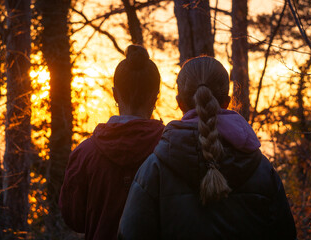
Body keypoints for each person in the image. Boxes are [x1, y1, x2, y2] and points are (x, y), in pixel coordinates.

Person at [118, 56, 297, 239]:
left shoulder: (154, 170)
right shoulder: (262, 169)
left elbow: (130, 234)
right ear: (227, 102)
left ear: (179, 102)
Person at [59, 45, 164, 240]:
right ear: (155, 96)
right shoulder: (171, 150)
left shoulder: (85, 154)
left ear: (115, 94)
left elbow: (74, 218)